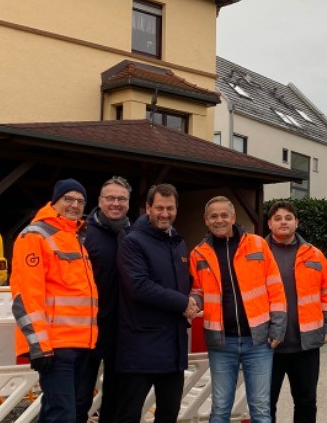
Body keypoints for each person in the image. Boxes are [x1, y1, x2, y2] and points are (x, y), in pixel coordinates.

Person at [189, 196, 286, 423]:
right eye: (214, 216)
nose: (219, 220)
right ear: (206, 220)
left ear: (233, 217)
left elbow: (276, 287)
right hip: (222, 343)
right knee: (220, 408)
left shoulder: (257, 244)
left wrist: (277, 328)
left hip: (258, 342)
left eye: (224, 215)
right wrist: (193, 301)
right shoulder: (198, 253)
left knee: (260, 409)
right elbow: (198, 290)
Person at [10, 178, 98, 423]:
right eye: (68, 199)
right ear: (54, 202)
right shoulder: (35, 236)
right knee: (63, 415)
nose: (75, 205)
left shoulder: (75, 237)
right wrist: (39, 345)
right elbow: (26, 295)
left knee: (56, 412)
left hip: (80, 345)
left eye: (81, 201)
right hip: (55, 347)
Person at [114, 184, 195, 423]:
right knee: (128, 415)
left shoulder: (178, 242)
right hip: (140, 347)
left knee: (168, 415)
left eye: (170, 208)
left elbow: (186, 283)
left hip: (173, 348)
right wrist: (183, 302)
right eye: (159, 207)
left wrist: (193, 299)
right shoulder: (133, 242)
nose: (165, 213)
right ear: (148, 208)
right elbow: (139, 286)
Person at [265, 201, 327, 423]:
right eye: (277, 218)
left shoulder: (314, 255)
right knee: (264, 404)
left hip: (305, 345)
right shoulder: (257, 254)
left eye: (288, 218)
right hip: (266, 345)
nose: (283, 222)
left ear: (297, 222)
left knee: (306, 403)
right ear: (269, 223)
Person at [79, 176, 132, 422]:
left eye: (121, 199)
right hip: (86, 331)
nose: (116, 203)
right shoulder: (82, 233)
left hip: (121, 331)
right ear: (100, 201)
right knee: (79, 398)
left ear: (128, 203)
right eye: (110, 198)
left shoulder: (134, 236)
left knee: (116, 399)